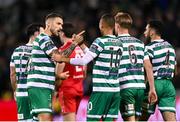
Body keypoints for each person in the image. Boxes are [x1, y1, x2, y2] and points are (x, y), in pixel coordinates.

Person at [52, 13, 123, 121]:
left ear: (102, 25)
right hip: (115, 91)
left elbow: (85, 60)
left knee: (92, 119)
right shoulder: (119, 43)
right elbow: (95, 56)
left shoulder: (100, 41)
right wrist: (81, 44)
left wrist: (63, 59)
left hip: (101, 90)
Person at [26, 13, 84, 121]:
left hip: (43, 86)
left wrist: (57, 75)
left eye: (61, 25)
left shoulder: (47, 40)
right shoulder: (44, 39)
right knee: (46, 119)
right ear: (48, 24)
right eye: (58, 23)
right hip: (40, 86)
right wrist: (74, 43)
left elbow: (51, 61)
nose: (61, 27)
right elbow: (59, 57)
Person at [114, 12, 157, 121]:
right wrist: (152, 88)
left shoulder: (115, 43)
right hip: (140, 88)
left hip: (126, 88)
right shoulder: (140, 43)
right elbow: (148, 66)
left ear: (117, 26)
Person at [140, 20, 177, 121]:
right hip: (169, 85)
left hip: (154, 84)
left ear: (152, 32)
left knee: (141, 118)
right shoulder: (170, 47)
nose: (144, 32)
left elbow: (147, 67)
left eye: (146, 29)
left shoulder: (148, 48)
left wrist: (151, 87)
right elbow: (175, 70)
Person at [10, 23, 43, 121]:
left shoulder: (16, 51)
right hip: (37, 93)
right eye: (43, 33)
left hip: (21, 93)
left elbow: (12, 74)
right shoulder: (41, 51)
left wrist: (15, 90)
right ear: (36, 33)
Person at [55, 23, 86, 121]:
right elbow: (84, 71)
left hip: (67, 90)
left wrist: (56, 89)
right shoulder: (80, 49)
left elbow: (59, 75)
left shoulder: (63, 51)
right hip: (79, 88)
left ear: (62, 34)